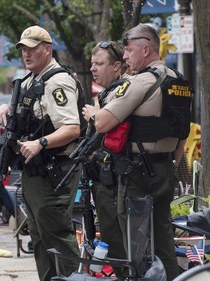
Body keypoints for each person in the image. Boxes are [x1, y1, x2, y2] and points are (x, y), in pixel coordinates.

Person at [82, 24, 191, 280]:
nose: (127, 57)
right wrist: (171, 165)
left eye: (129, 50)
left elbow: (102, 123)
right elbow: (182, 134)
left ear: (145, 49)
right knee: (163, 236)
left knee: (134, 239)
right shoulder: (179, 81)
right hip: (164, 168)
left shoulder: (141, 82)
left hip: (137, 173)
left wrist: (93, 113)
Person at [0, 25, 82, 281]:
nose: (26, 54)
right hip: (35, 172)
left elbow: (72, 128)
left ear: (47, 49)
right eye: (23, 49)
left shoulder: (57, 81)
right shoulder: (31, 80)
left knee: (56, 235)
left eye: (32, 49)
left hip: (54, 171)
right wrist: (5, 107)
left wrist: (41, 143)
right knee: (40, 237)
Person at [86, 40, 128, 265]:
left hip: (115, 179)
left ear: (116, 66)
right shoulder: (105, 94)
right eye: (92, 63)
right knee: (110, 239)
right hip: (103, 177)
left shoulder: (123, 92)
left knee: (116, 241)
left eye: (99, 63)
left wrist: (95, 115)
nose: (93, 68)